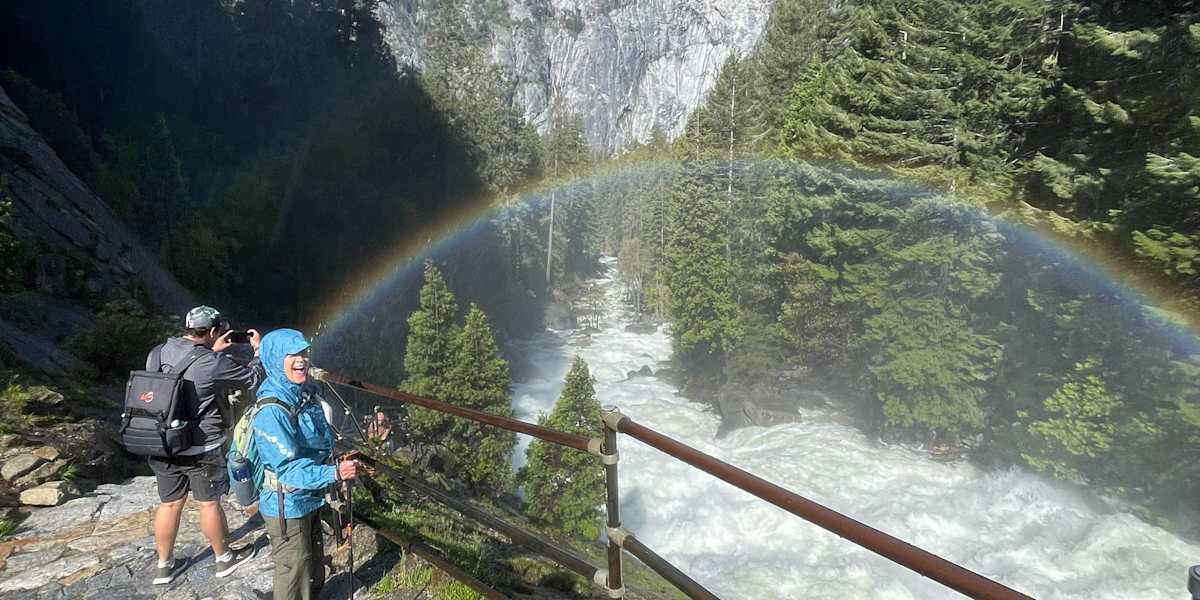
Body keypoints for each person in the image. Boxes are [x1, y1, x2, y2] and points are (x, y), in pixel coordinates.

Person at [149, 305, 263, 585]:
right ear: (212, 331)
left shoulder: (157, 352)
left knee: (170, 504)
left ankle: (164, 566)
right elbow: (253, 379)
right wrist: (257, 351)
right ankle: (224, 559)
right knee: (208, 504)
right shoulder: (212, 363)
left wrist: (213, 352)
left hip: (162, 443)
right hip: (200, 447)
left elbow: (176, 383)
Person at [253, 329, 360, 600]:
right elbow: (287, 469)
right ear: (276, 359)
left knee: (311, 566)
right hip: (286, 504)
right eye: (292, 354)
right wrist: (334, 472)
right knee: (293, 570)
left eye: (304, 353)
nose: (301, 359)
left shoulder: (302, 393)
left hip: (307, 497)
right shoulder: (271, 412)